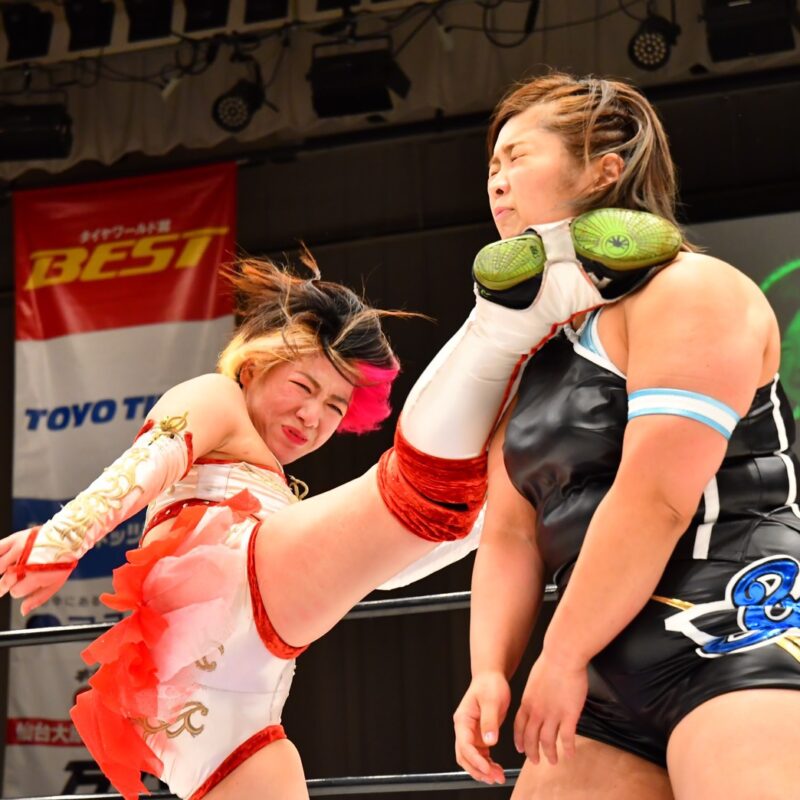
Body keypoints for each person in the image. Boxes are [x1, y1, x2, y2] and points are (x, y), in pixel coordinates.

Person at [0, 237, 610, 800]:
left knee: (434, 505)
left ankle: (533, 342)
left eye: (335, 405)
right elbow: (154, 456)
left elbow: (389, 570)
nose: (312, 416)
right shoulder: (217, 396)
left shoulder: (282, 503)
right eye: (302, 386)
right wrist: (59, 540)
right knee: (422, 494)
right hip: (221, 607)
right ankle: (516, 312)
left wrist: (505, 502)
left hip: (231, 716)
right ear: (254, 367)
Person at [453, 72, 800, 800]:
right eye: (491, 166)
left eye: (517, 157)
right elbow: (511, 533)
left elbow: (656, 499)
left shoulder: (692, 290)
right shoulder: (531, 347)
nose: (497, 180)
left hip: (741, 624)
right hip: (600, 663)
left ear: (605, 170)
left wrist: (560, 652)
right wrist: (490, 668)